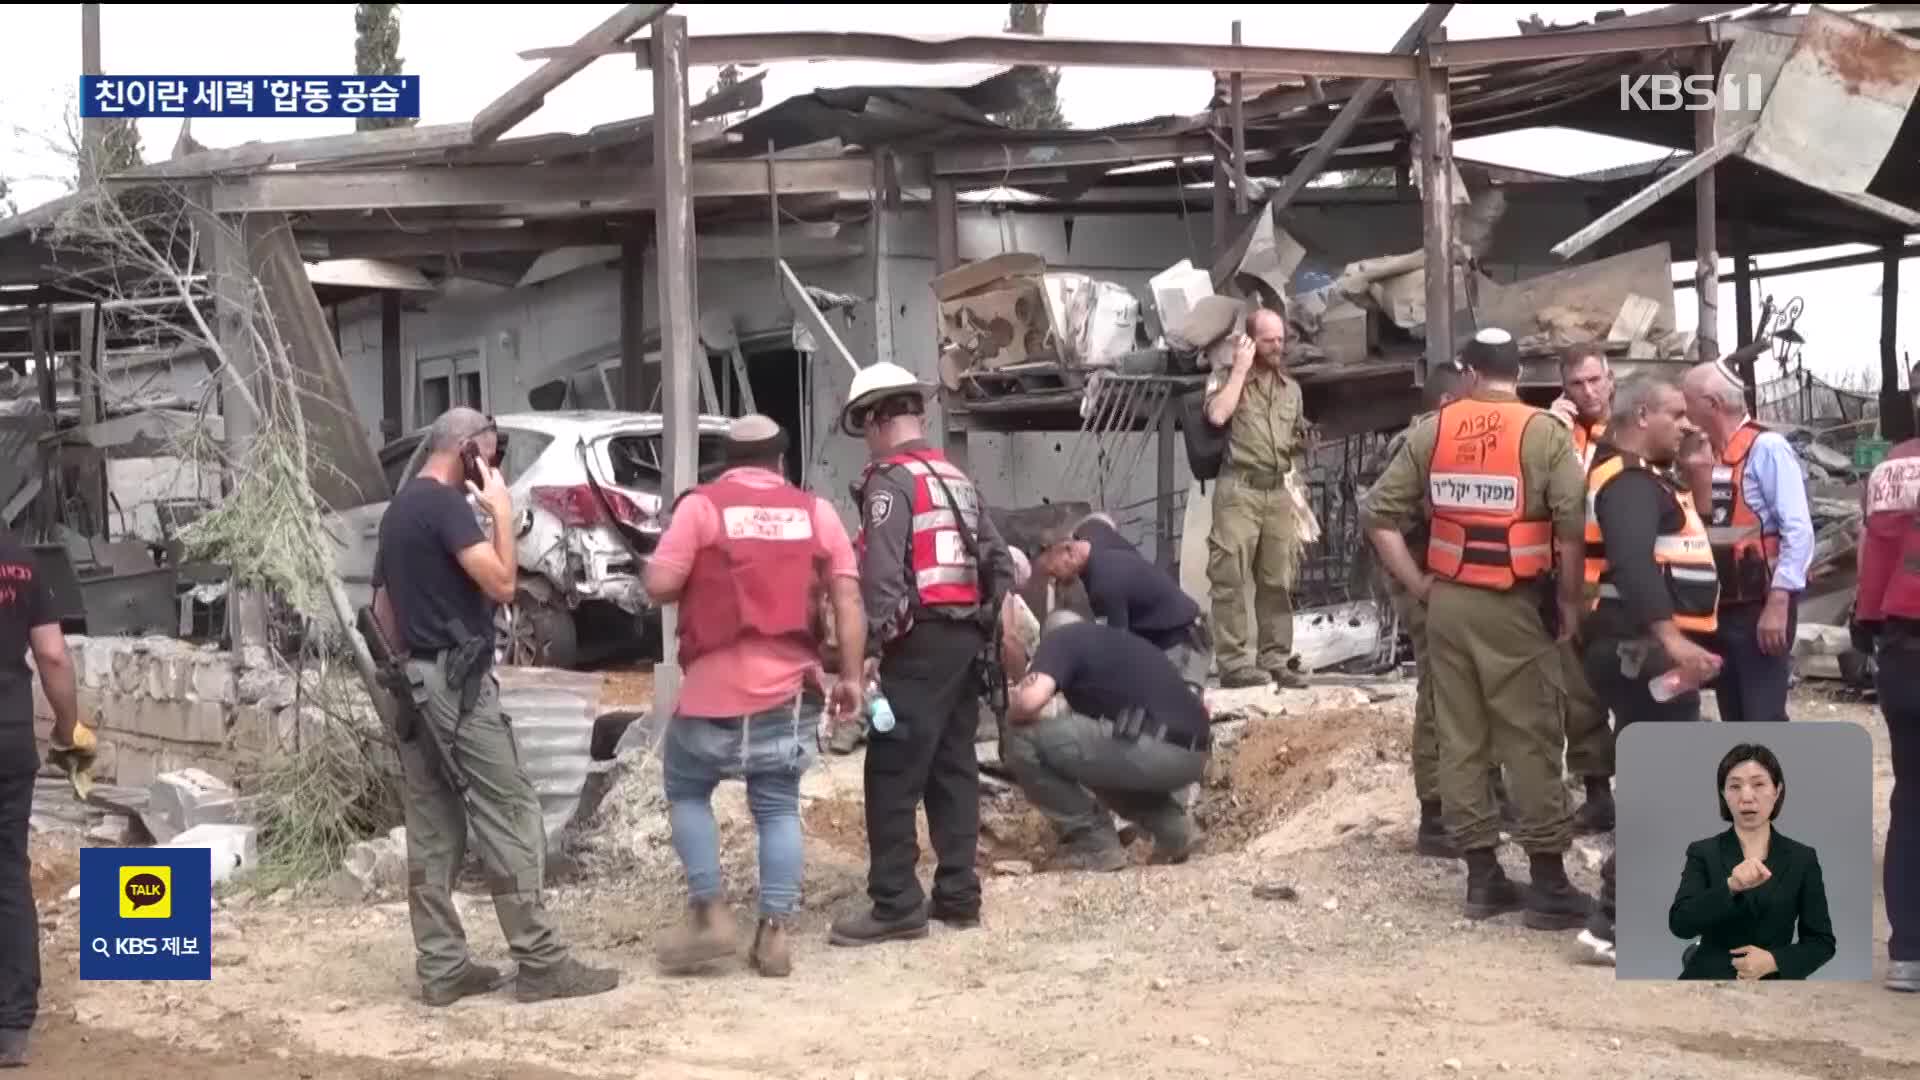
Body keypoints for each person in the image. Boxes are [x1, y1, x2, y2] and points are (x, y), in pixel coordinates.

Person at [371, 407, 618, 1005]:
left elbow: (381, 611)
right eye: (493, 454)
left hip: (412, 684)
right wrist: (502, 512)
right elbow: (504, 583)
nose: (496, 465)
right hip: (457, 685)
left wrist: (409, 680)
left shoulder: (399, 511)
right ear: (470, 452)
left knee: (433, 830)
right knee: (509, 811)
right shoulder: (447, 506)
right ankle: (539, 960)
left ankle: (442, 967)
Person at [1363, 328, 1592, 929]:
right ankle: (1548, 884)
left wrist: (1418, 585)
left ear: (1468, 371)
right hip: (1514, 605)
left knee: (1460, 736)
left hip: (1449, 605)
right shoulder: (1543, 433)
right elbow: (1571, 526)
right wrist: (1569, 603)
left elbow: (1378, 514)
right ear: (1517, 372)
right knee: (1532, 732)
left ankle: (1483, 879)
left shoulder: (1432, 432)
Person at [640, 415, 866, 979]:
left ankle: (710, 910)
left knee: (686, 788)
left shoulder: (703, 507)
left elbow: (659, 584)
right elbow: (848, 600)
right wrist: (853, 678)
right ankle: (774, 936)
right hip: (785, 696)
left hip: (711, 696)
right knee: (777, 807)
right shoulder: (816, 512)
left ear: (729, 462)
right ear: (781, 462)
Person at [831, 362, 1018, 947]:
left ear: (882, 419)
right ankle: (958, 894)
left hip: (921, 641)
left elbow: (883, 575)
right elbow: (999, 558)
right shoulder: (954, 476)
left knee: (891, 768)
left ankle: (895, 903)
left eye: (865, 426)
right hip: (968, 639)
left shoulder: (890, 483)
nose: (866, 438)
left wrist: (875, 647)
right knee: (952, 766)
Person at [1573, 374, 1726, 964]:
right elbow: (1634, 567)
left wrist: (1696, 478)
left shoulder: (1643, 480)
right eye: (1676, 414)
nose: (1687, 424)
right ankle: (1616, 923)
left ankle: (1622, 918)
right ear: (1642, 415)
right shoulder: (1628, 484)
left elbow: (1680, 544)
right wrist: (1671, 640)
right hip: (1643, 651)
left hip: (1644, 650)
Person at [1367, 360, 1508, 858]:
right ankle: (1435, 813)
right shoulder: (1425, 440)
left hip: (1451, 581)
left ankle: (1487, 789)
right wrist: (1420, 585)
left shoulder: (1441, 436)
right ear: (1448, 404)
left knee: (1474, 689)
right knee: (1439, 695)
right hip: (1426, 578)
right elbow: (1386, 518)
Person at [1003, 609, 1211, 870]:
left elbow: (1030, 701)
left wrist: (1010, 710)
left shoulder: (1063, 640)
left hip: (1153, 747)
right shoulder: (1119, 645)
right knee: (1096, 759)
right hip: (1194, 756)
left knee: (1021, 737)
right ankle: (1177, 832)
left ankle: (1094, 844)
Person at [1681, 362, 1816, 723]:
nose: (1683, 413)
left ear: (1711, 404)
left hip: (1761, 606)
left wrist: (1779, 601)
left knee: (1763, 717)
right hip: (1723, 606)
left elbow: (1798, 531)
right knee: (1735, 717)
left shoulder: (1767, 448)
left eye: (1687, 402)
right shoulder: (1708, 456)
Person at [0, 533, 82, 1068]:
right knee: (7, 872)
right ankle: (9, 1026)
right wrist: (68, 727)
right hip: (6, 740)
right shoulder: (19, 559)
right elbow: (52, 654)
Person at [1203, 307, 1315, 689]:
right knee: (1230, 577)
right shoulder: (1225, 379)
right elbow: (1218, 416)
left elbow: (1295, 439)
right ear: (1250, 341)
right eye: (1268, 340)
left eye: (1281, 339)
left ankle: (1276, 659)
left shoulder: (1292, 390)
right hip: (1240, 490)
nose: (1277, 346)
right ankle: (1234, 664)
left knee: (1277, 579)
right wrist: (1239, 369)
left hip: (1278, 490)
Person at [1847, 436, 1920, 992]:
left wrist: (1867, 626)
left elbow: (1874, 556)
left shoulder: (1895, 465)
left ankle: (1908, 954)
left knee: (1911, 799)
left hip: (1900, 652)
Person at [1668, 743, 1835, 980]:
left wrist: (1774, 961)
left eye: (1759, 784)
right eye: (1734, 786)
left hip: (1777, 988)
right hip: (1707, 980)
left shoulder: (1802, 858)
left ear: (1777, 790)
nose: (1747, 797)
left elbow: (1822, 942)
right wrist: (1730, 887)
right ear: (1723, 794)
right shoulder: (1704, 852)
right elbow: (1680, 924)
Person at [1548, 343, 1617, 834]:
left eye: (1595, 381)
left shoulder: (1635, 428)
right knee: (1580, 696)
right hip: (1572, 582)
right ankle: (1596, 793)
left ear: (1611, 381)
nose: (1588, 391)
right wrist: (1551, 428)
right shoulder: (1553, 434)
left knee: (1639, 694)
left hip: (1624, 581)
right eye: (1577, 384)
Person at [1032, 513, 1211, 692]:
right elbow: (1097, 522)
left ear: (1069, 551)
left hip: (1182, 644)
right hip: (1178, 632)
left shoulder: (1103, 583)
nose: (1055, 581)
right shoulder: (1096, 540)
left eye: (1054, 573)